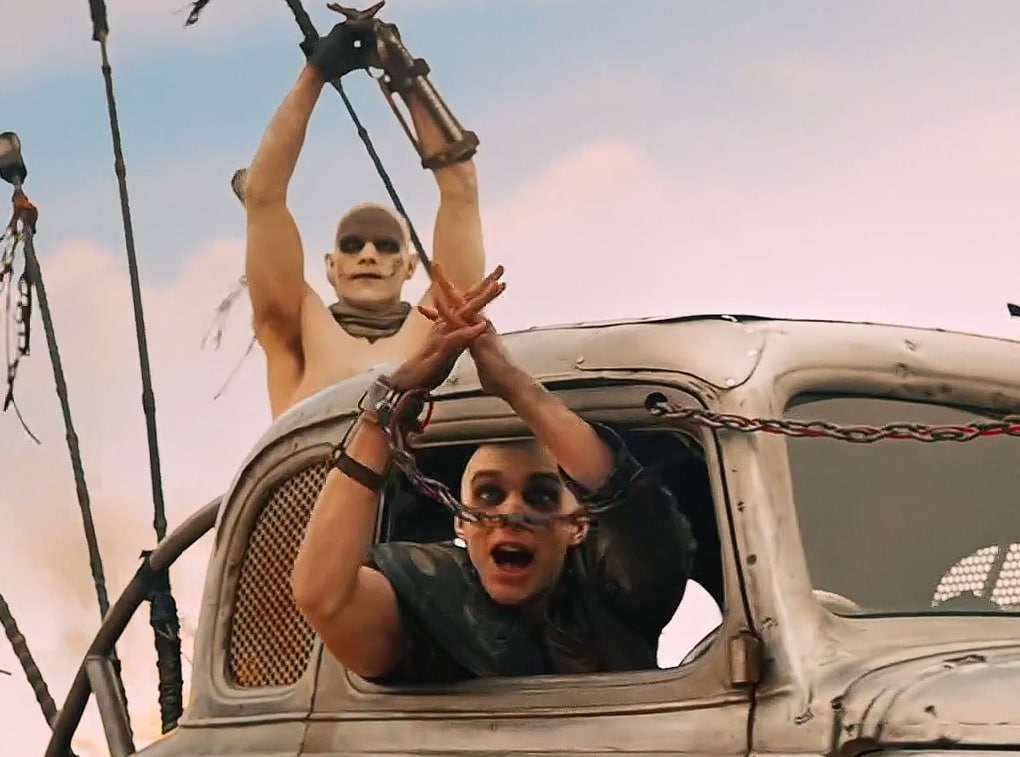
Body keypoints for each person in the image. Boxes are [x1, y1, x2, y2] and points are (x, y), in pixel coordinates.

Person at [292, 265, 698, 682]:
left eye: (541, 496)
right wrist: (385, 409)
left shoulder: (618, 597)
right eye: (488, 495)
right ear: (460, 523)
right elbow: (322, 596)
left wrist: (513, 385)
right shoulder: (431, 598)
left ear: (577, 526)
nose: (510, 512)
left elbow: (632, 506)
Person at [243, 18, 486, 420]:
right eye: (352, 245)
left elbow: (461, 188)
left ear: (410, 265)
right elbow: (263, 196)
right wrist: (315, 74)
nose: (368, 254)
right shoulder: (297, 326)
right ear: (331, 265)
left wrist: (404, 74)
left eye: (387, 246)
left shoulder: (442, 323)